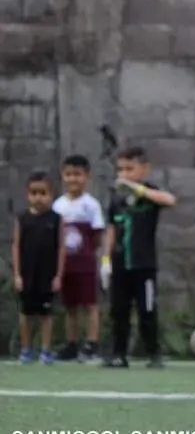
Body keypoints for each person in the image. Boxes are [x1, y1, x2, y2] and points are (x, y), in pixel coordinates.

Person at [101, 146, 177, 369]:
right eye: (120, 170)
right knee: (119, 312)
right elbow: (112, 229)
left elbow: (169, 200)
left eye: (130, 169)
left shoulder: (149, 194)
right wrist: (106, 260)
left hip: (144, 265)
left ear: (144, 169)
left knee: (147, 310)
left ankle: (153, 354)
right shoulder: (117, 199)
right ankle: (118, 354)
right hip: (121, 264)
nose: (124, 174)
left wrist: (138, 190)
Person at [53, 154, 106, 362]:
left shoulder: (91, 205)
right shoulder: (58, 206)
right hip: (65, 265)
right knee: (70, 306)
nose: (73, 179)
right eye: (68, 174)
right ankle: (72, 343)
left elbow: (98, 235)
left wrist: (94, 256)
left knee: (90, 304)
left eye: (78, 174)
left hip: (85, 263)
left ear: (87, 177)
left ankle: (92, 343)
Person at [11, 170, 65, 365]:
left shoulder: (56, 219)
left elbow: (61, 247)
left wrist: (58, 275)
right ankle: (26, 350)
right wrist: (17, 274)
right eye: (34, 193)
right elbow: (16, 246)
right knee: (26, 313)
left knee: (46, 314)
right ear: (28, 195)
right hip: (27, 273)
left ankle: (46, 350)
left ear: (51, 195)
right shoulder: (22, 219)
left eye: (43, 193)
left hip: (47, 274)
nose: (38, 198)